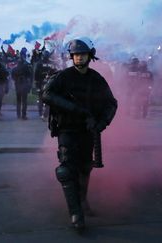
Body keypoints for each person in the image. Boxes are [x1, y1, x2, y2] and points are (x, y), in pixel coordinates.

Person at [42, 37, 117, 231]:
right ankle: (75, 213)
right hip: (67, 129)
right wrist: (75, 109)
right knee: (66, 170)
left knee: (85, 167)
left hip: (87, 130)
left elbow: (111, 103)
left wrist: (102, 123)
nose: (78, 58)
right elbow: (47, 95)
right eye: (75, 55)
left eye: (82, 54)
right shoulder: (63, 77)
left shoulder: (96, 79)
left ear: (89, 56)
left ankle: (83, 201)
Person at [34, 50, 58, 120]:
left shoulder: (39, 63)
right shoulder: (52, 63)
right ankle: (45, 114)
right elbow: (55, 73)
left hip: (41, 84)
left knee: (41, 99)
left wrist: (37, 85)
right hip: (49, 84)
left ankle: (41, 113)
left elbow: (36, 75)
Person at [11, 53, 33, 120]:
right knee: (24, 101)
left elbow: (12, 77)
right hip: (24, 85)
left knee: (18, 101)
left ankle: (18, 115)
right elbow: (30, 75)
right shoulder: (26, 67)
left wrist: (16, 80)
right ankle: (23, 115)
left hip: (17, 85)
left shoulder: (14, 69)